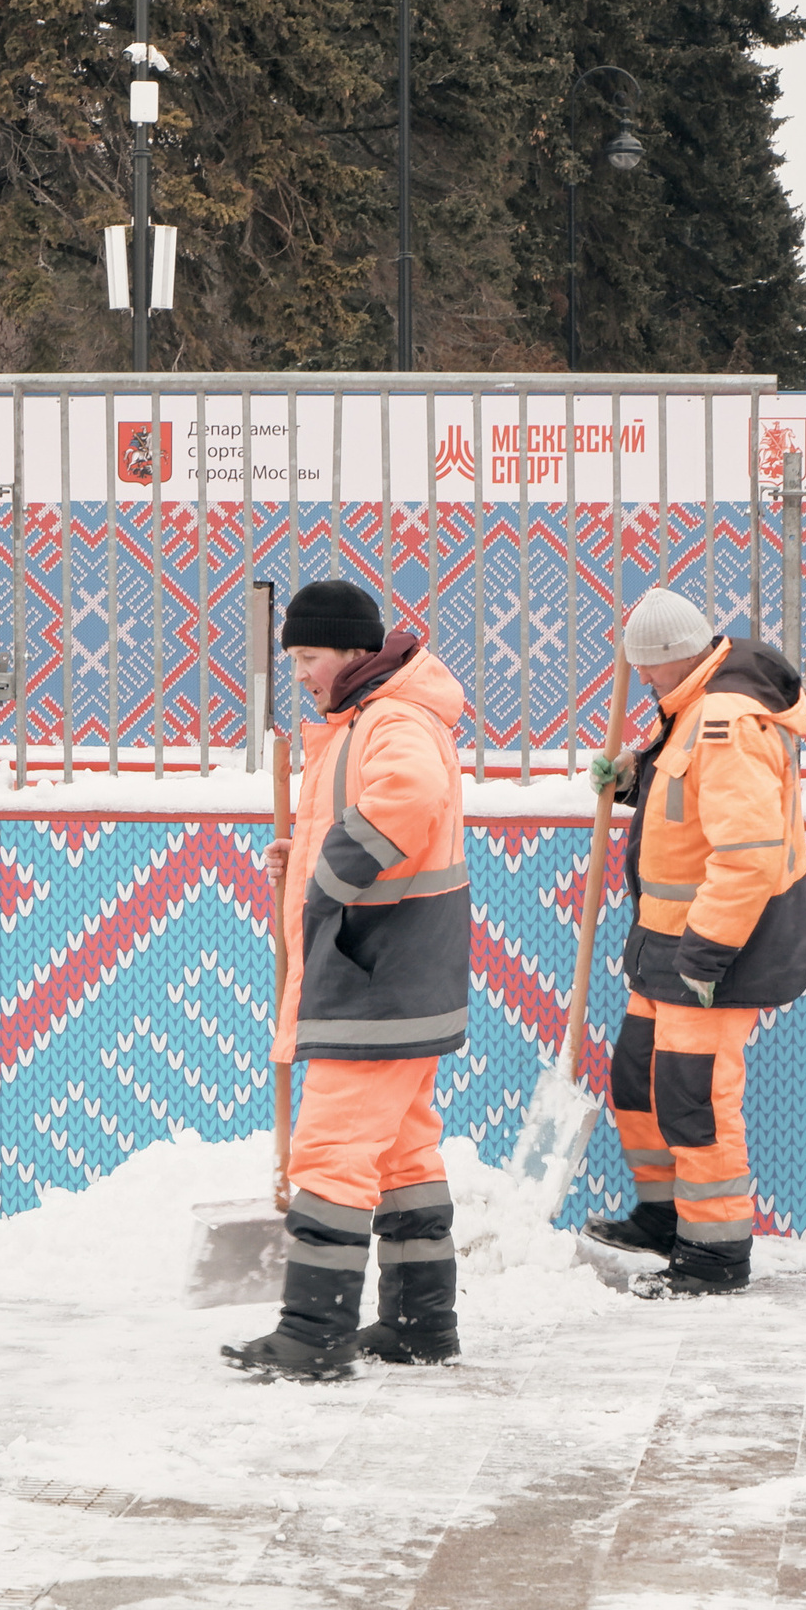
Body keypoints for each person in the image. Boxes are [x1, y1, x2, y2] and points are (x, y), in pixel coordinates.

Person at [222, 579, 472, 1380]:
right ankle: (419, 1324)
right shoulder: (369, 717)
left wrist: (328, 872)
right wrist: (304, 858)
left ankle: (313, 1333)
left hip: (376, 976)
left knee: (330, 1150)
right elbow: (365, 819)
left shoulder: (391, 718)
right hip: (397, 975)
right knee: (403, 1154)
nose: (300, 673)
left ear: (355, 651)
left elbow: (410, 798)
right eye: (294, 658)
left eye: (310, 656)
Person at [582, 587, 806, 1297]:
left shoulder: (727, 723)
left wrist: (707, 955)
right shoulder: (690, 708)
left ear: (673, 657)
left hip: (708, 951)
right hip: (662, 941)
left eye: (646, 667)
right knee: (638, 1080)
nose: (641, 679)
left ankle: (714, 1255)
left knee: (696, 1098)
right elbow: (687, 807)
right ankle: (664, 1216)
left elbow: (748, 855)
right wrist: (633, 779)